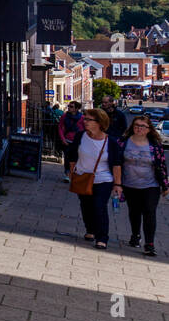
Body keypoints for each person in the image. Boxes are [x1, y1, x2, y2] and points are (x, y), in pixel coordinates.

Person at [64, 108, 123, 250]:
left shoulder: (111, 142)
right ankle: (90, 230)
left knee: (99, 207)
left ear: (99, 123)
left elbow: (116, 164)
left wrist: (117, 184)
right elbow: (72, 155)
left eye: (89, 120)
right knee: (86, 207)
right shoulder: (80, 136)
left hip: (103, 180)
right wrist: (71, 173)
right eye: (85, 119)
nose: (85, 122)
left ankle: (102, 238)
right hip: (82, 177)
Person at [118, 114, 166, 257]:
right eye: (136, 125)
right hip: (129, 184)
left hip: (151, 185)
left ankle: (149, 244)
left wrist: (165, 186)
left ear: (149, 129)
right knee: (134, 211)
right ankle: (135, 235)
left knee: (149, 212)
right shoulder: (124, 142)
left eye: (143, 126)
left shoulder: (155, 146)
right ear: (132, 127)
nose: (139, 128)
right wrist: (117, 183)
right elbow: (117, 163)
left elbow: (162, 166)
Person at [57, 101, 83, 182]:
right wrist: (63, 139)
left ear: (77, 108)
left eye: (71, 106)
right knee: (67, 159)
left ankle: (74, 174)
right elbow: (60, 128)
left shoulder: (82, 118)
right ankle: (68, 174)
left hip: (78, 142)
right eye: (69, 106)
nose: (69, 108)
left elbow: (84, 129)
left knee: (77, 159)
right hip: (67, 141)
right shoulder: (64, 116)